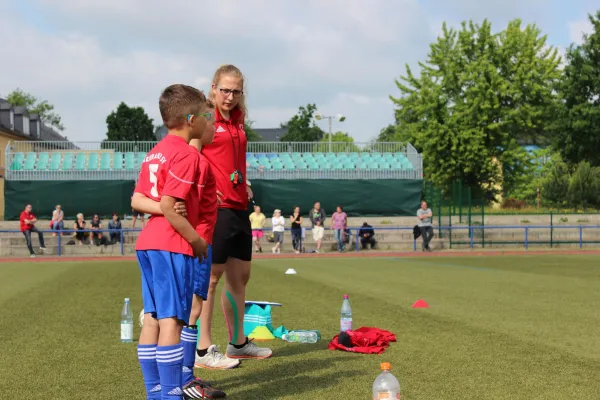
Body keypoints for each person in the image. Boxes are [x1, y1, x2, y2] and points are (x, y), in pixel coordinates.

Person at [133, 84, 212, 400]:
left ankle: (155, 393)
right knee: (172, 322)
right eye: (206, 116)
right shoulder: (186, 154)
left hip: (147, 243)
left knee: (151, 318)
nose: (208, 121)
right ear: (191, 119)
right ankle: (170, 394)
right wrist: (197, 242)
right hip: (171, 244)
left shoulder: (156, 152)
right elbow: (169, 205)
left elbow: (138, 199)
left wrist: (164, 207)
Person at [196, 64, 272, 369]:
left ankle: (238, 343)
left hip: (239, 206)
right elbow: (192, 153)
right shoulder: (203, 118)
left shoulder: (238, 120)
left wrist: (246, 182)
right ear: (213, 87)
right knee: (211, 279)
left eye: (236, 91)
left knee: (240, 277)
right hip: (217, 210)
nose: (229, 96)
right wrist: (203, 186)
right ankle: (203, 350)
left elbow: (231, 159)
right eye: (224, 89)